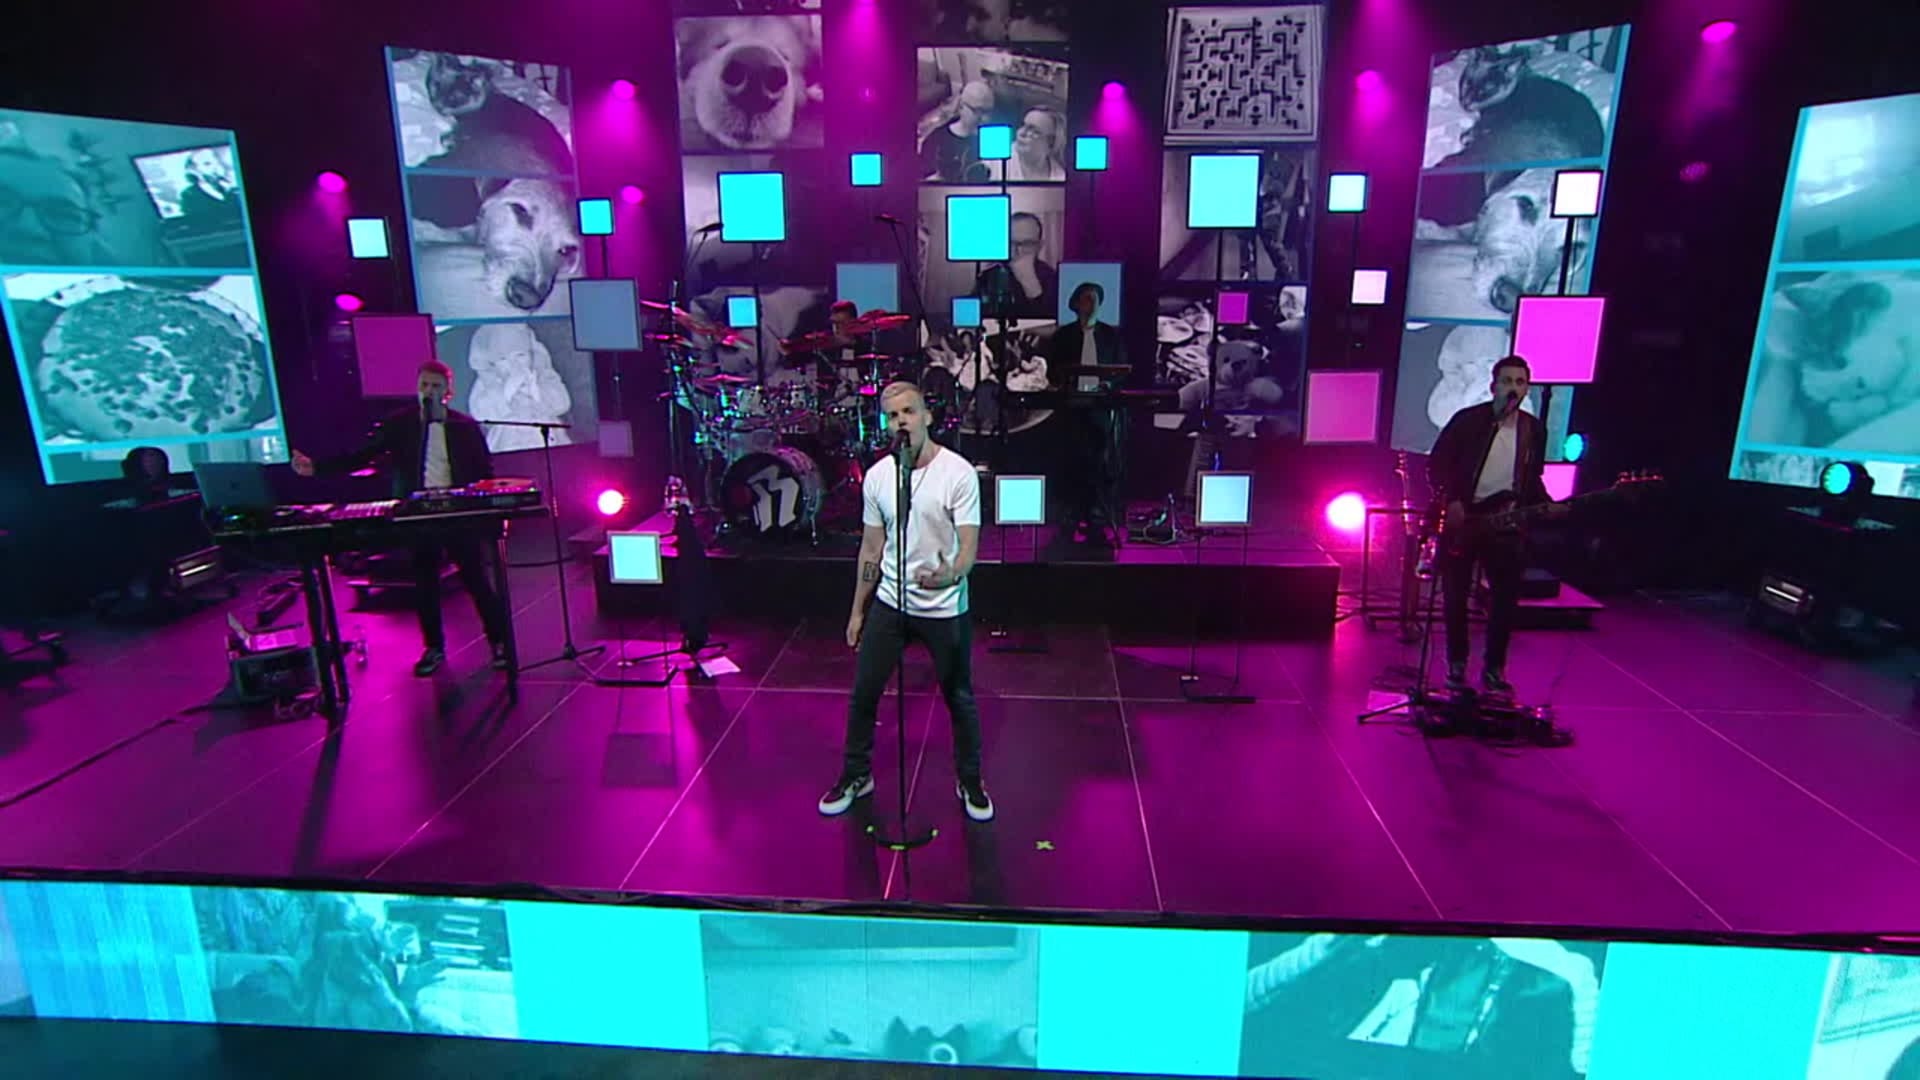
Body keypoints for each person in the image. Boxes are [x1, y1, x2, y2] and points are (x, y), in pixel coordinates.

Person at [820, 381, 991, 822]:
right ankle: (856, 774)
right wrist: (857, 610)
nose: (902, 422)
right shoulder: (879, 477)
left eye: (909, 412)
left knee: (959, 696)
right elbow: (871, 549)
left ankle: (970, 780)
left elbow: (969, 548)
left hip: (943, 606)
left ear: (927, 417)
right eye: (893, 415)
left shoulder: (957, 473)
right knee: (864, 693)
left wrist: (951, 573)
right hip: (891, 601)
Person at [291, 359, 512, 677]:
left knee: (476, 579)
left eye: (435, 386)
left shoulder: (464, 426)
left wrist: (487, 507)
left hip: (456, 511)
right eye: (424, 385)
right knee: (425, 582)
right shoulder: (401, 423)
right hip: (416, 513)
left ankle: (499, 642)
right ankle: (433, 647)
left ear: (448, 392)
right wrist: (317, 468)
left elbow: (484, 472)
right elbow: (362, 456)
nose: (429, 392)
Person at [1426, 355, 1563, 694]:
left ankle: (1494, 670)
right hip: (1466, 520)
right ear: (1493, 387)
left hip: (1506, 523)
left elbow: (1531, 478)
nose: (1513, 388)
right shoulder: (1469, 421)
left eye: (1520, 382)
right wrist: (1452, 500)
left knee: (1504, 600)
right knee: (1456, 596)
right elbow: (1438, 464)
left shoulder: (1533, 430)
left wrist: (1547, 505)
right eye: (1507, 381)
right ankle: (1457, 664)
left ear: (1527, 388)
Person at [1047, 281, 1127, 543]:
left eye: (1095, 299)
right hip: (1071, 409)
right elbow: (1052, 370)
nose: (1091, 304)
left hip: (1100, 409)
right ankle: (1070, 518)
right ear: (1076, 304)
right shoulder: (1063, 336)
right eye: (1086, 299)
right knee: (1072, 464)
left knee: (1099, 466)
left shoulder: (1111, 336)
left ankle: (1096, 519)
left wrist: (1109, 385)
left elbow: (1121, 370)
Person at [919, 80, 995, 183]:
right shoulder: (935, 141)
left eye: (988, 112)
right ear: (961, 107)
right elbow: (924, 185)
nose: (985, 119)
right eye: (978, 111)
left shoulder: (993, 139)